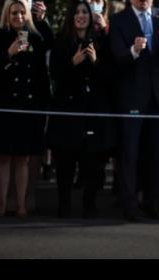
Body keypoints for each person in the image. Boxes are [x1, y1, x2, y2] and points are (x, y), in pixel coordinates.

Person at [109, 0, 159, 221]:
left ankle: (153, 202)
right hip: (132, 98)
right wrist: (133, 51)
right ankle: (129, 205)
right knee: (130, 154)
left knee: (156, 153)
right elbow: (116, 56)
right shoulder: (119, 20)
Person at [48, 0, 116, 219]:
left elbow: (109, 77)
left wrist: (95, 62)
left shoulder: (101, 41)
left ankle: (90, 204)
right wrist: (73, 62)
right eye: (76, 12)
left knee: (92, 164)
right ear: (71, 16)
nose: (81, 16)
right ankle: (64, 205)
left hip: (93, 112)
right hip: (68, 112)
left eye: (84, 12)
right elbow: (55, 74)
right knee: (65, 163)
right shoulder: (61, 41)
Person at [0, 0, 52, 217]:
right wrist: (9, 54)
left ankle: (22, 205)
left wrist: (44, 105)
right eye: (14, 13)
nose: (19, 17)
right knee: (3, 156)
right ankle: (2, 204)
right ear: (7, 14)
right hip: (4, 104)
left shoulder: (35, 36)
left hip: (29, 105)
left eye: (22, 13)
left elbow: (43, 72)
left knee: (23, 157)